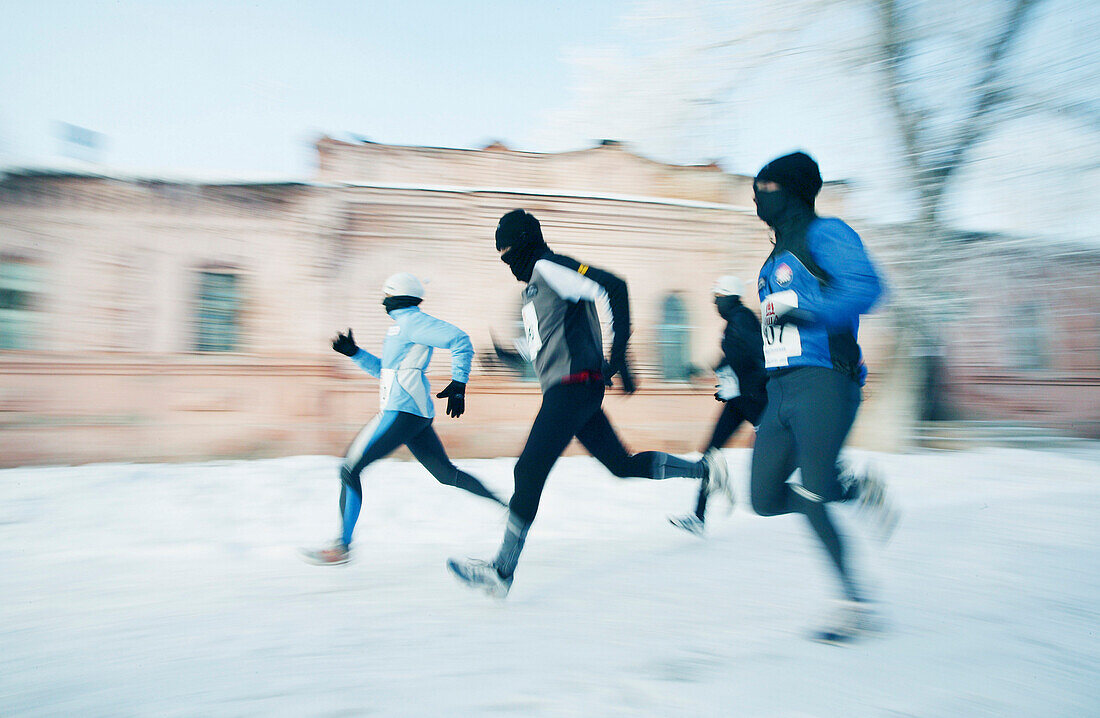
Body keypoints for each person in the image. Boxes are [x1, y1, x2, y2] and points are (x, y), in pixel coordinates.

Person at [447, 209, 732, 597]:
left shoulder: (550, 266)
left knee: (528, 470)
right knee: (621, 465)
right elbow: (542, 343)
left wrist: (619, 357)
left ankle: (502, 571)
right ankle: (704, 471)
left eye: (509, 253)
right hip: (571, 389)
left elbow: (614, 286)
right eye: (501, 256)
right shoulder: (532, 289)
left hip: (574, 387)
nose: (507, 263)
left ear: (525, 245)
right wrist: (507, 357)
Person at [748, 151, 895, 643]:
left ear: (791, 191)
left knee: (812, 491)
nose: (756, 197)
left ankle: (853, 605)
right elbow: (775, 323)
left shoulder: (826, 233)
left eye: (765, 188)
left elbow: (869, 288)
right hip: (780, 390)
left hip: (825, 380)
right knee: (764, 498)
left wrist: (814, 316)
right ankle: (852, 489)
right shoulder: (774, 256)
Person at [301, 272, 505, 565]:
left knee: (349, 470)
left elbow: (460, 339)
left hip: (401, 412)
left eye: (385, 296)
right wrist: (355, 353)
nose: (383, 302)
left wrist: (460, 383)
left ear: (396, 296)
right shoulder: (401, 328)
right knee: (446, 474)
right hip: (412, 413)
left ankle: (341, 546)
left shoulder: (413, 322)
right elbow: (386, 371)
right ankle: (509, 507)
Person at [668, 275, 767, 536]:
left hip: (754, 400)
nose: (715, 303)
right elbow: (732, 356)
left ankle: (836, 483)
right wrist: (705, 370)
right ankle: (698, 516)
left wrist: (752, 383)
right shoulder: (736, 321)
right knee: (710, 453)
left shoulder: (743, 319)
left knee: (787, 449)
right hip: (738, 400)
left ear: (730, 298)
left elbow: (754, 354)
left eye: (718, 298)